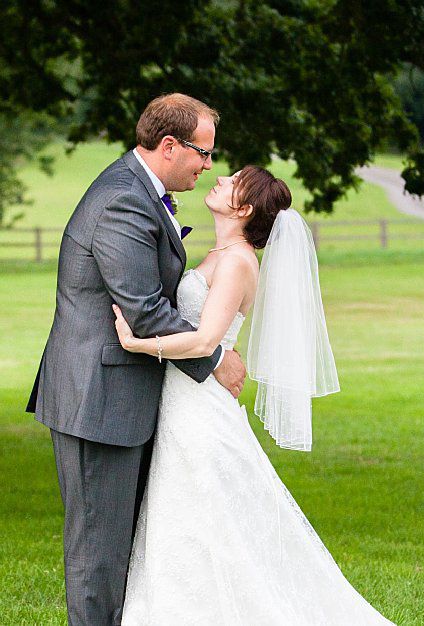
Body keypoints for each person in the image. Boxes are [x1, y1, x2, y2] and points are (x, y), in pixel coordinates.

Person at [113, 165, 394, 624]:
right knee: (186, 516)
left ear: (242, 209)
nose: (219, 177)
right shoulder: (218, 252)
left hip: (200, 407)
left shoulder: (239, 261)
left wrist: (137, 343)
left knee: (206, 514)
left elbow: (205, 343)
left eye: (232, 181)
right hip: (183, 400)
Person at [25, 93, 247, 625]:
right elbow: (145, 312)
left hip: (123, 397)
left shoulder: (140, 190)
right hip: (98, 403)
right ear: (169, 146)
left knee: (126, 550)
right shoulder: (122, 199)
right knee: (99, 557)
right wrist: (214, 358)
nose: (209, 165)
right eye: (203, 152)